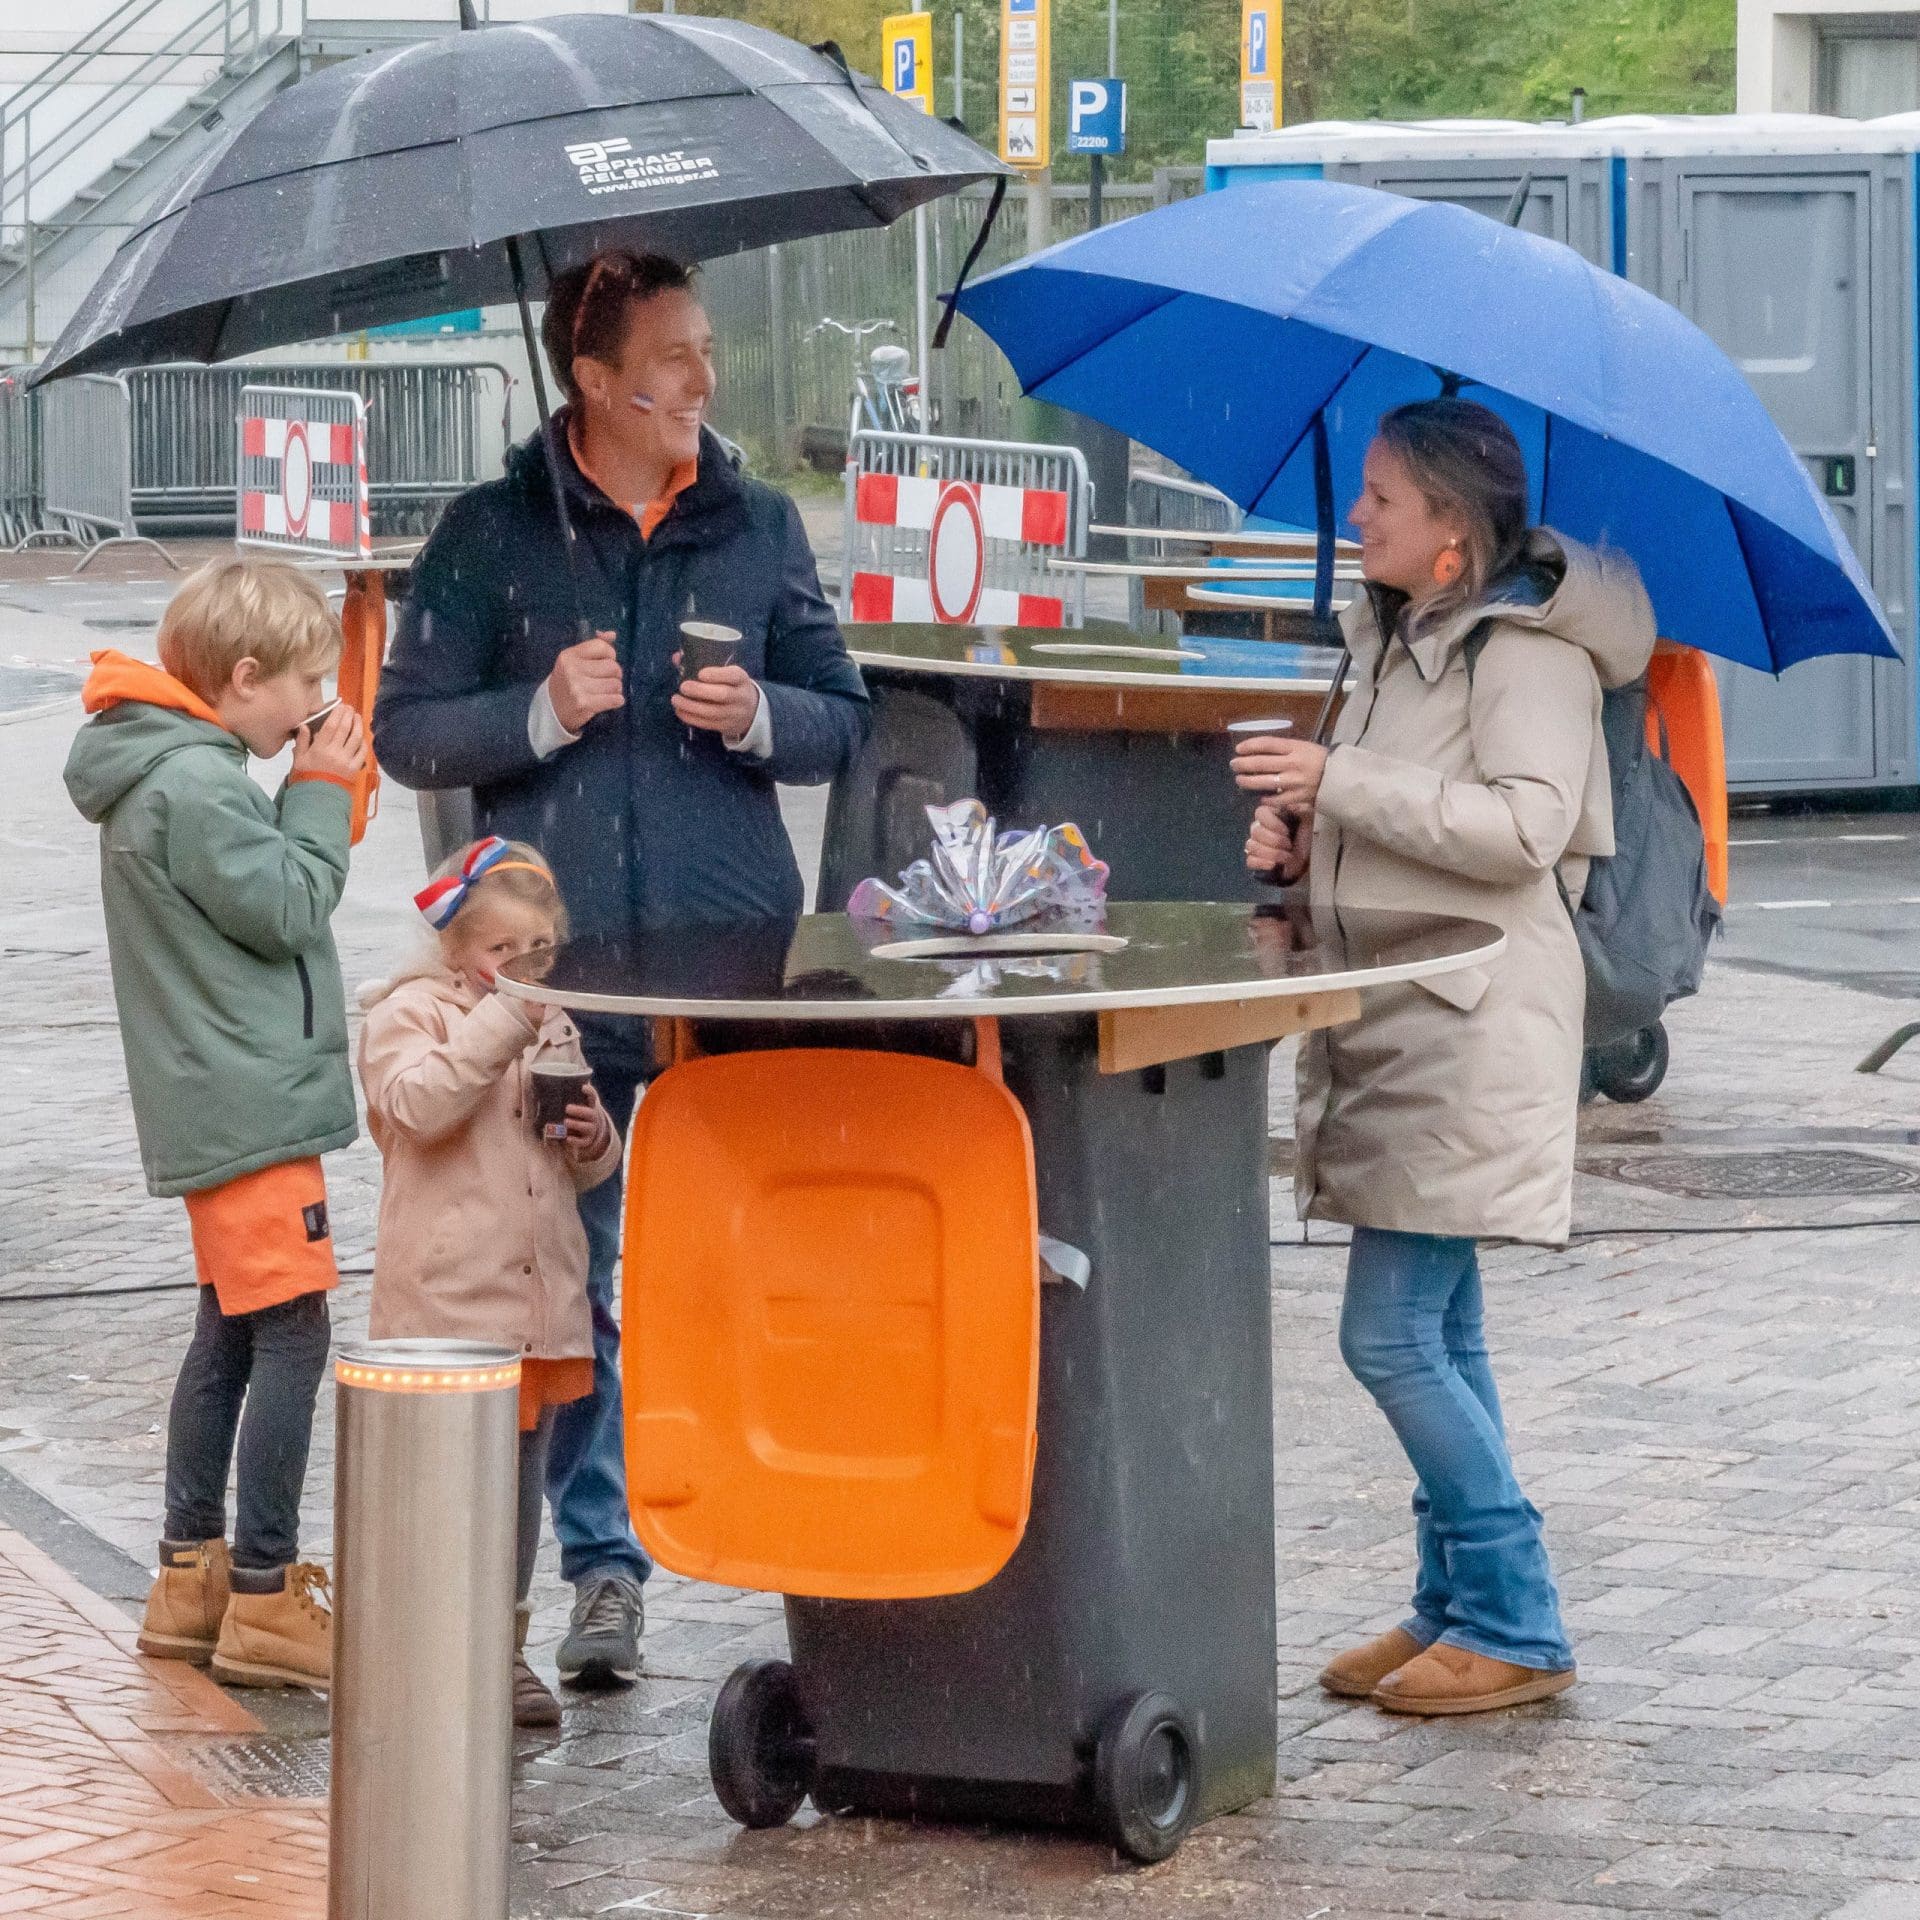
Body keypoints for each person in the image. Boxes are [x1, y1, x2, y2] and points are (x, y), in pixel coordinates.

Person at [374, 248, 870, 1687]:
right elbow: (409, 732)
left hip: (734, 977)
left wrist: (760, 713)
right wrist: (536, 711)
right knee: (564, 1280)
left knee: (751, 1270)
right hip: (556, 981)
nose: (706, 380)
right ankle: (597, 1575)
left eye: (707, 349)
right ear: (594, 381)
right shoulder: (489, 534)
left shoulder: (758, 521)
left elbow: (844, 714)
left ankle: (830, 1571)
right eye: (673, 360)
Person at [1234, 398, 1655, 1716]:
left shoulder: (1524, 656)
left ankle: (1518, 1619)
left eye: (1383, 499)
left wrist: (1339, 786)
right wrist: (1302, 846)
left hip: (1467, 1029)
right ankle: (1454, 1605)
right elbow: (1403, 823)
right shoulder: (1393, 644)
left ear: (1454, 537)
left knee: (1390, 1337)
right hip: (1397, 1021)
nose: (1357, 515)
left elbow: (1524, 829)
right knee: (1443, 1332)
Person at [63, 556, 369, 1691]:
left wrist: (306, 791)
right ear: (243, 678)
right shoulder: (195, 784)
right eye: (303, 684)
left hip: (214, 1093)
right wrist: (321, 791)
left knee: (232, 1330)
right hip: (250, 1101)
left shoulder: (164, 768)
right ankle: (266, 1594)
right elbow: (289, 903)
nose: (312, 707)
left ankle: (189, 1579)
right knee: (292, 1333)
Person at [357, 836, 621, 1728]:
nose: (521, 966)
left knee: (513, 1494)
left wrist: (594, 1138)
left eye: (537, 950)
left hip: (535, 1306)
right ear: (453, 945)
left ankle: (500, 1649)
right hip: (448, 1309)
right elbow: (415, 1109)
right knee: (443, 1497)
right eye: (500, 949)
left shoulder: (550, 1021)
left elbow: (578, 1162)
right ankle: (429, 1647)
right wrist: (507, 1018)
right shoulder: (409, 1013)